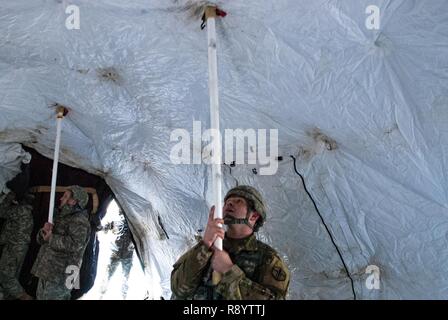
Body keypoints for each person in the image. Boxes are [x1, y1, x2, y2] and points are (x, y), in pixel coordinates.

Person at [171, 185, 290, 300]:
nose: (229, 203)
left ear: (253, 216)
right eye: (227, 202)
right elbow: (178, 289)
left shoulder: (268, 259)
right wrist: (206, 243)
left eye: (239, 201)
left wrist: (228, 271)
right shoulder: (207, 246)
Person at [31, 185, 91, 300]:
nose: (61, 198)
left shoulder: (80, 221)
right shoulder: (60, 216)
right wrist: (44, 232)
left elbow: (76, 245)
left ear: (73, 201)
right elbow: (43, 241)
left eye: (65, 196)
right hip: (49, 270)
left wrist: (51, 238)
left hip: (62, 274)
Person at [0, 191, 34, 300]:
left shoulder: (20, 210)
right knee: (12, 276)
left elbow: (2, 211)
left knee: (6, 276)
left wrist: (9, 196)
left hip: (14, 247)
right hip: (18, 247)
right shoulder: (26, 211)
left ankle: (25, 297)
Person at [100, 210, 135, 299]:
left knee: (114, 276)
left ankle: (103, 294)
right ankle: (103, 294)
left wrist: (105, 227)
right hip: (121, 254)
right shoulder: (132, 222)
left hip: (121, 254)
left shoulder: (130, 222)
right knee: (122, 277)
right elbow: (104, 229)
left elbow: (104, 229)